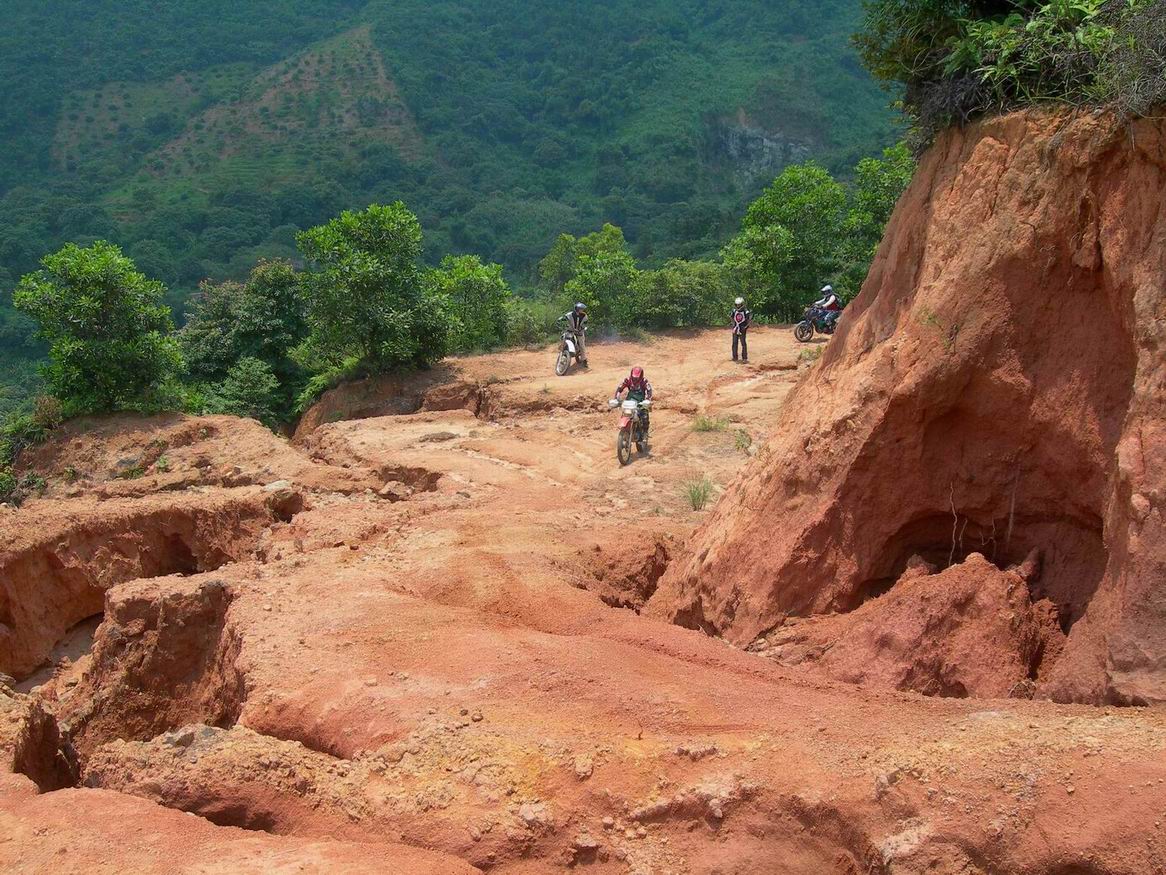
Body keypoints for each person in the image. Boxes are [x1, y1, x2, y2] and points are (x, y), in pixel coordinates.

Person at [613, 366, 654, 442]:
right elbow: (619, 389)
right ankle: (625, 429)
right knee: (625, 413)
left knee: (644, 414)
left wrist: (647, 400)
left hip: (641, 401)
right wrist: (616, 398)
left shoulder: (644, 381)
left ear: (641, 376)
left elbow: (649, 391)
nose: (635, 379)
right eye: (634, 377)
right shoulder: (627, 380)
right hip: (630, 401)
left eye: (637, 378)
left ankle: (645, 433)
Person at [560, 302, 589, 367]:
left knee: (582, 345)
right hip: (570, 331)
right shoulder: (569, 314)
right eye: (580, 309)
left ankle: (584, 360)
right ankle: (562, 350)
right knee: (563, 338)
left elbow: (586, 323)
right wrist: (560, 322)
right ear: (576, 308)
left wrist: (581, 328)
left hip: (579, 332)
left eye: (582, 309)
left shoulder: (584, 315)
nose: (582, 310)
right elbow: (562, 319)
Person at [730, 297, 752, 363]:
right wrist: (734, 325)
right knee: (734, 343)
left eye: (739, 304)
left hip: (742, 329)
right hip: (736, 328)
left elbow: (749, 320)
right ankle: (734, 357)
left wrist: (746, 327)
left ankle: (744, 358)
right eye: (737, 304)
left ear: (742, 304)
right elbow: (731, 317)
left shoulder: (746, 312)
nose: (738, 306)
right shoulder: (734, 311)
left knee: (743, 343)